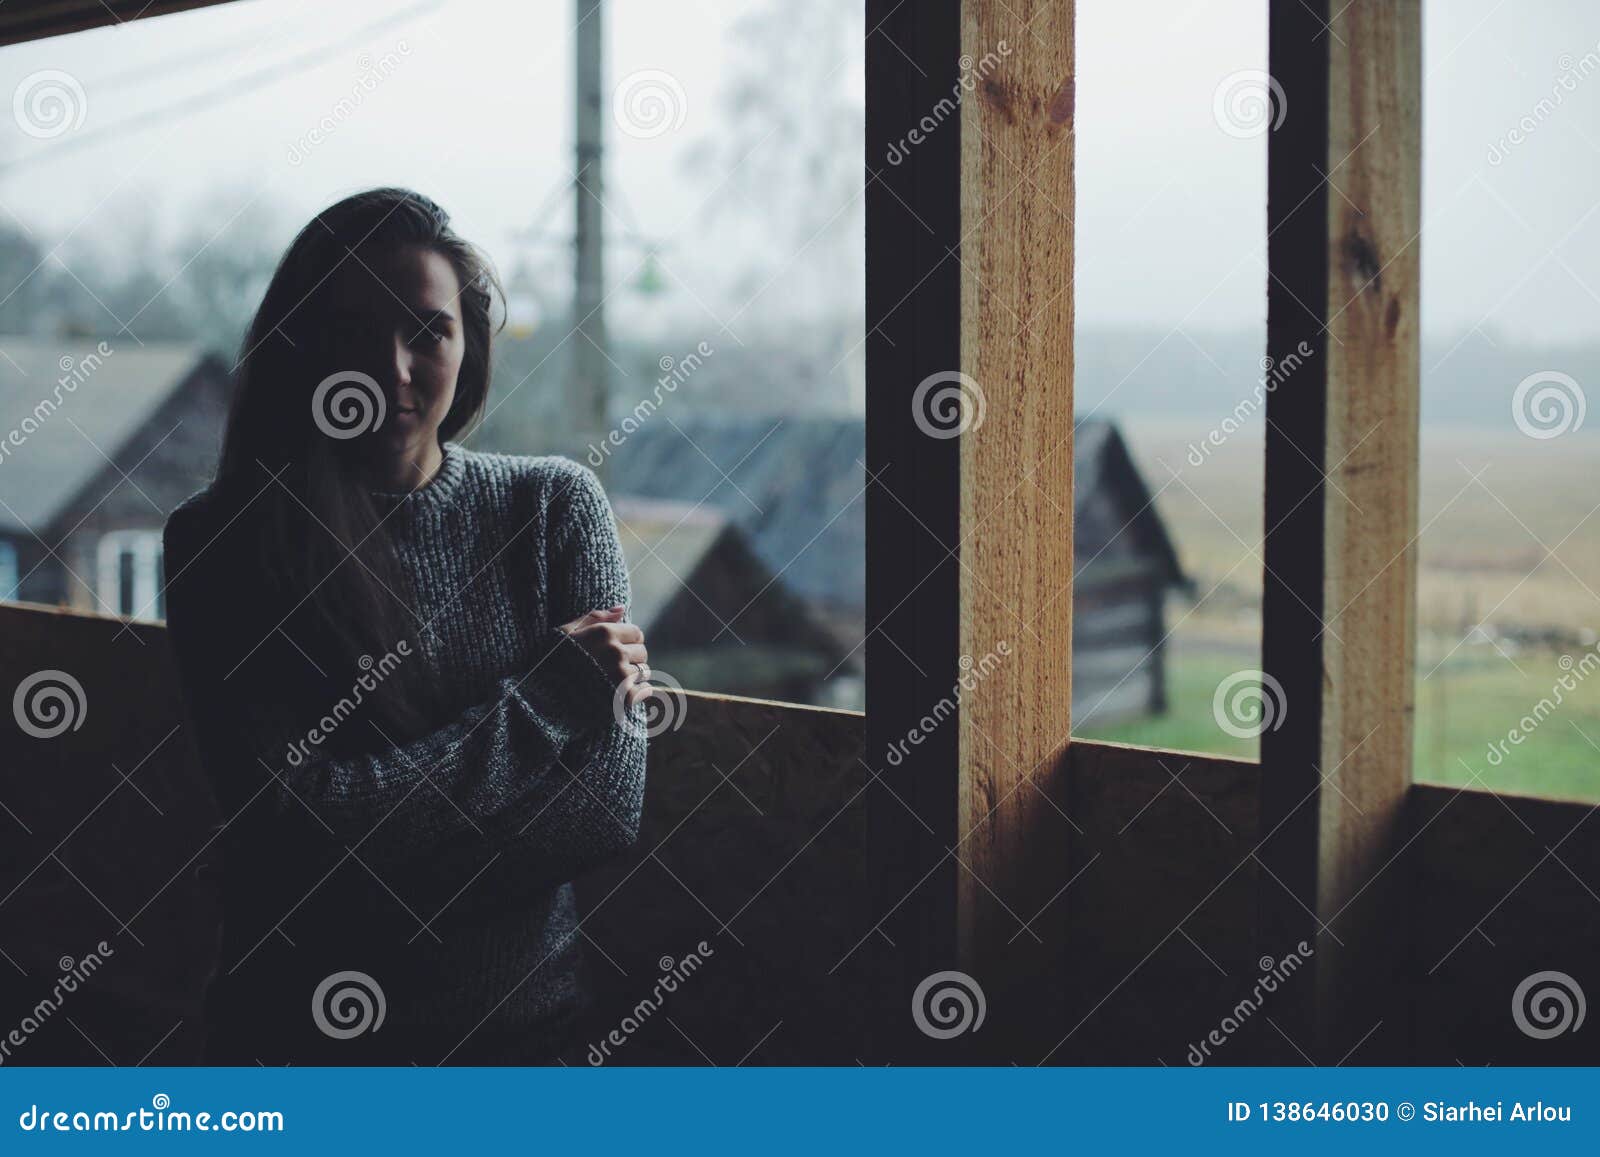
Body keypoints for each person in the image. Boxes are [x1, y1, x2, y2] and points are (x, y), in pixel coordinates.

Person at [161, 187, 649, 1065]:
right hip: (292, 1049)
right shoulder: (221, 542)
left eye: (428, 331)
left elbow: (603, 811)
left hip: (520, 1051)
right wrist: (542, 704)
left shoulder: (553, 510)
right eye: (353, 330)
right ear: (303, 344)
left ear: (470, 344)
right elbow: (289, 818)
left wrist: (345, 883)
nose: (393, 369)